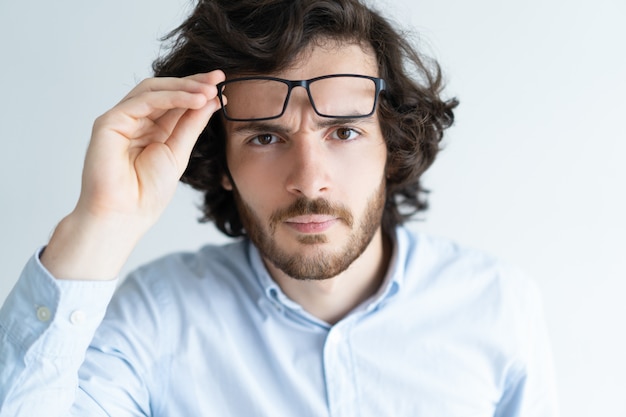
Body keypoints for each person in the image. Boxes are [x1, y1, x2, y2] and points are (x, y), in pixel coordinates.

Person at [0, 0, 559, 415]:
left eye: (343, 131)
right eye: (265, 138)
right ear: (220, 160)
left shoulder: (497, 306)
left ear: (394, 145)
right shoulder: (155, 319)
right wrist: (102, 222)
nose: (308, 179)